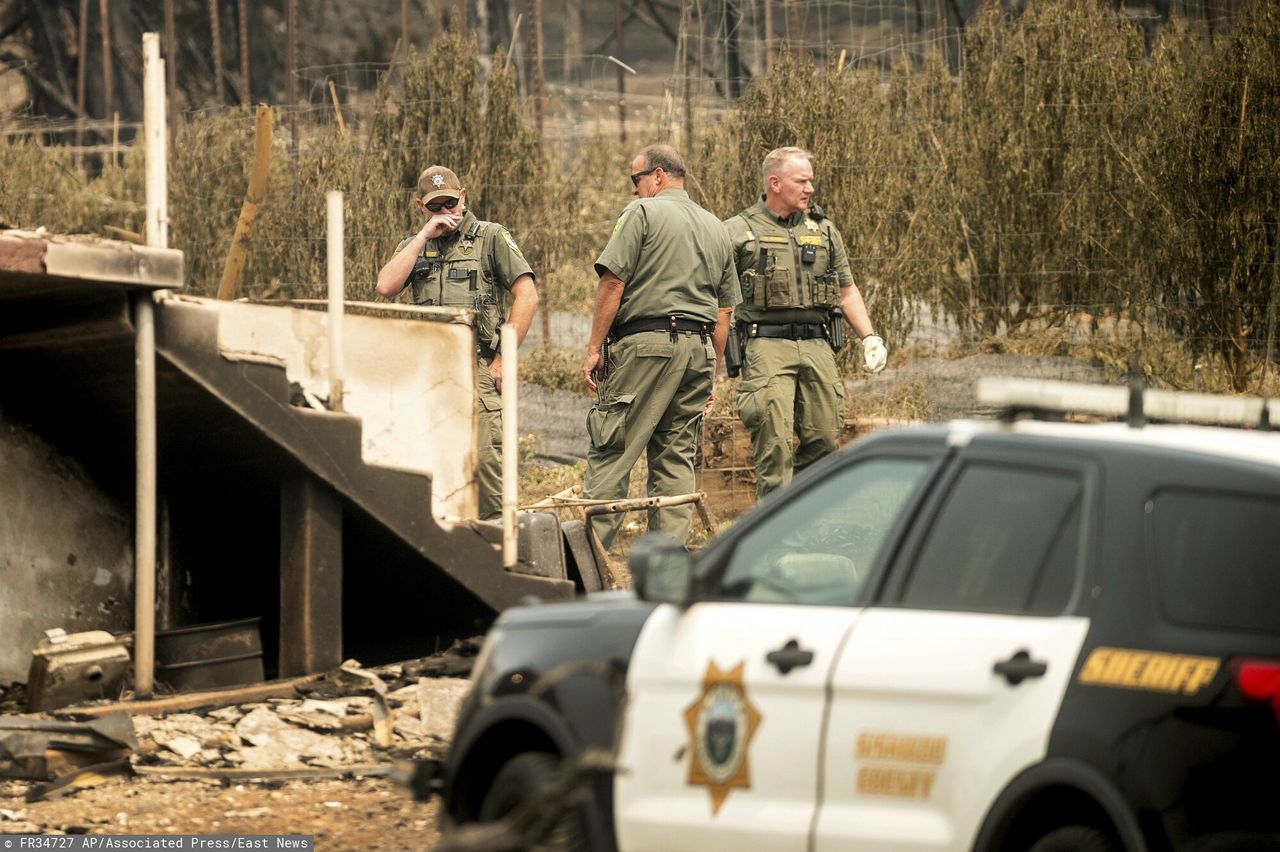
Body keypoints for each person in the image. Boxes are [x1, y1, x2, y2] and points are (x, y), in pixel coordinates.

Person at [581, 144, 741, 549]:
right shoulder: (716, 227)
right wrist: (712, 374)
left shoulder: (641, 214)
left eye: (635, 180)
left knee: (613, 448)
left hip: (646, 349)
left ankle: (587, 563)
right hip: (699, 352)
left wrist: (595, 347)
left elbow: (613, 282)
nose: (634, 190)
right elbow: (724, 314)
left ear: (657, 175)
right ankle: (667, 569)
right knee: (674, 461)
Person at [723, 146, 887, 500]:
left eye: (811, 181)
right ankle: (773, 531)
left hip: (817, 344)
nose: (810, 188)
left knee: (825, 437)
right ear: (775, 183)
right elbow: (715, 298)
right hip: (766, 345)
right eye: (802, 181)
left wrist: (870, 337)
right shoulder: (738, 231)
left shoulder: (825, 231)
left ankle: (801, 514)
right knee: (775, 442)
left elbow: (846, 291)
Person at [376, 165, 538, 521]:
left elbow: (526, 294)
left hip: (476, 365)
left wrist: (503, 358)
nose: (445, 211)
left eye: (450, 202)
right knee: (431, 463)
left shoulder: (490, 236)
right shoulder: (415, 245)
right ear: (422, 207)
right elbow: (386, 286)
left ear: (463, 196)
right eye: (436, 206)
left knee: (486, 464)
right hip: (427, 371)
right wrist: (422, 237)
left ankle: (500, 550)